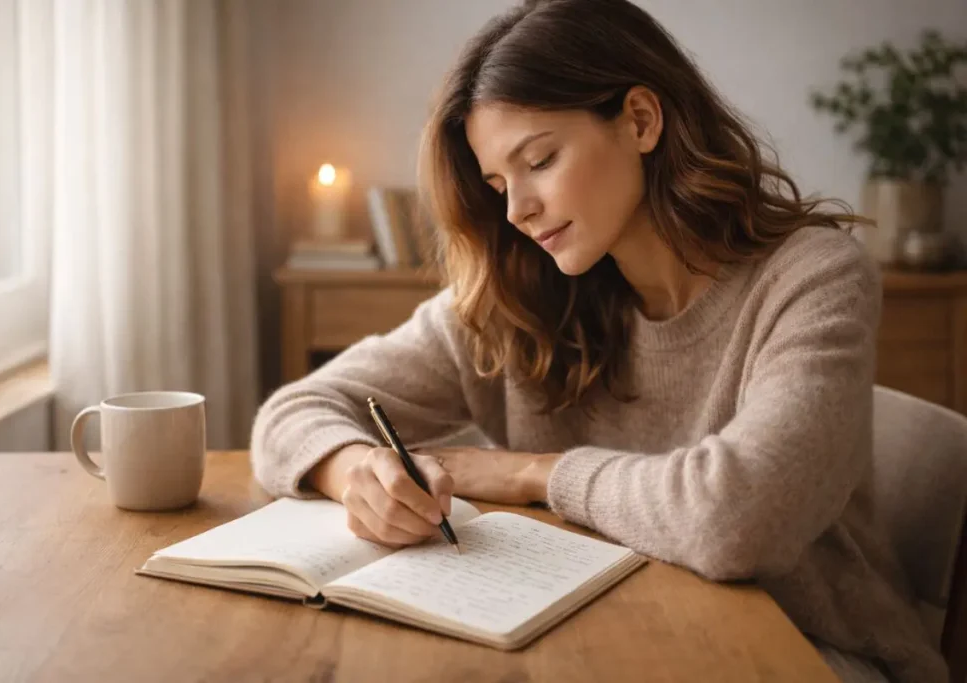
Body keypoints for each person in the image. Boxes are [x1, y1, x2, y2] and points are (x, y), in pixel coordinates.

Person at [251, 1, 945, 681]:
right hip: (606, 634)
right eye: (498, 183)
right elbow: (290, 413)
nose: (517, 210)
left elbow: (738, 518)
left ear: (640, 120)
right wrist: (352, 473)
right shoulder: (521, 296)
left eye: (540, 160)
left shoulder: (812, 276)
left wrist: (529, 474)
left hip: (810, 647)